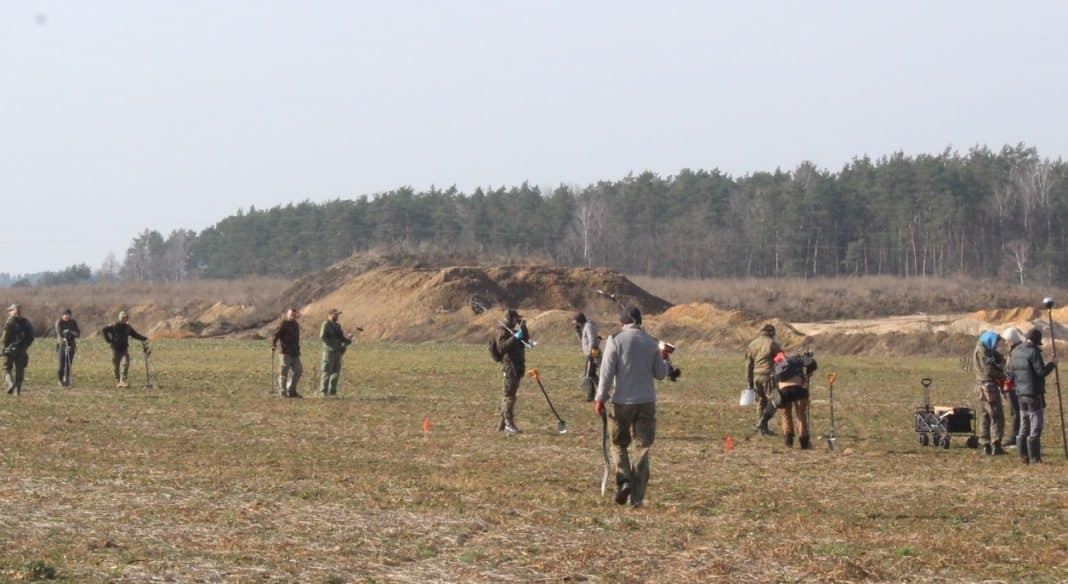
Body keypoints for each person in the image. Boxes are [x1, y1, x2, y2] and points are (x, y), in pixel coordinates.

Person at [594, 306, 669, 508]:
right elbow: (661, 374)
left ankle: (623, 480)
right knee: (642, 447)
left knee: (618, 444)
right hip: (646, 402)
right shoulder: (652, 342)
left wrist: (600, 397)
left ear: (622, 323)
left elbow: (606, 373)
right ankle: (637, 498)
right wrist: (666, 357)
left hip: (622, 402)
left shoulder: (615, 340)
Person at [1008, 328, 1056, 464]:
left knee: (1024, 423)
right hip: (1033, 394)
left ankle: (1023, 455)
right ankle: (1034, 458)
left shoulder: (1015, 351)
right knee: (1036, 425)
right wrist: (1052, 364)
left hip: (1020, 394)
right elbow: (1041, 372)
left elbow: (1010, 374)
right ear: (1036, 341)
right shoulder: (1034, 352)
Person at [494, 309, 530, 434]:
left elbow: (524, 339)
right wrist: (514, 338)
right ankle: (509, 424)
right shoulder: (501, 330)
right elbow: (501, 347)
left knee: (509, 395)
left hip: (518, 366)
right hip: (510, 367)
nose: (517, 321)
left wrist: (523, 327)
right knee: (509, 397)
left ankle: (501, 425)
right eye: (516, 319)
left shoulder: (513, 331)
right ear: (511, 318)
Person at [773, 350, 818, 449]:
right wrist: (808, 372)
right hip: (798, 389)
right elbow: (812, 364)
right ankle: (804, 443)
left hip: (783, 391)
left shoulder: (778, 362)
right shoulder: (798, 360)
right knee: (801, 415)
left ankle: (788, 442)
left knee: (786, 414)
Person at [744, 323, 783, 435]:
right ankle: (761, 423)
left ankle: (762, 430)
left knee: (761, 402)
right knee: (776, 401)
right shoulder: (773, 344)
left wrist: (749, 383)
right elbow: (781, 362)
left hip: (756, 377)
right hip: (768, 376)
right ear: (772, 333)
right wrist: (778, 377)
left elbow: (748, 365)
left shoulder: (752, 344)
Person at [973, 331, 1007, 455]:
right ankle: (996, 445)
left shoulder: (982, 349)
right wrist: (1001, 374)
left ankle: (985, 444)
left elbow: (996, 358)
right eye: (995, 342)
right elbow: (989, 371)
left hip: (980, 388)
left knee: (985, 416)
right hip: (989, 388)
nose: (997, 345)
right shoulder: (984, 353)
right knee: (996, 416)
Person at [102, 310, 149, 388]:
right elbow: (104, 330)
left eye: (126, 318)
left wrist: (144, 338)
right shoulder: (114, 326)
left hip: (124, 349)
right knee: (115, 366)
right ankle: (118, 381)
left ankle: (123, 380)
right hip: (115, 349)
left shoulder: (128, 327)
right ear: (120, 318)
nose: (125, 319)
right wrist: (108, 340)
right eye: (124, 318)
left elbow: (135, 335)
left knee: (126, 362)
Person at [319, 308, 352, 396]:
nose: (337, 316)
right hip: (329, 352)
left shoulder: (338, 326)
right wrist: (332, 345)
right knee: (326, 372)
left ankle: (332, 392)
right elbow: (322, 337)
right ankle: (323, 392)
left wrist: (348, 339)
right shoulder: (326, 324)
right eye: (335, 314)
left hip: (338, 352)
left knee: (336, 372)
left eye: (337, 315)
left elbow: (341, 338)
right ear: (329, 315)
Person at [3, 303, 35, 396]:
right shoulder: (26, 322)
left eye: (10, 310)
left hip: (10, 350)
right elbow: (31, 337)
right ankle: (17, 392)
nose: (9, 312)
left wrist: (4, 349)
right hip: (22, 350)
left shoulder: (10, 321)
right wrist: (24, 347)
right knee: (20, 371)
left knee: (7, 369)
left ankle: (10, 384)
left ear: (14, 311)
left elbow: (5, 338)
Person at [271, 308, 303, 398]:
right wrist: (273, 344)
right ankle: (283, 391)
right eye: (291, 314)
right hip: (285, 352)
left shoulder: (296, 324)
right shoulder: (283, 324)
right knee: (283, 372)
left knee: (298, 371)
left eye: (294, 315)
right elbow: (276, 334)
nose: (292, 316)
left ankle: (291, 390)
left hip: (295, 353)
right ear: (287, 315)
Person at [1000, 326, 1024, 446]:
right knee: (1016, 412)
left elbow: (1011, 370)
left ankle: (1015, 437)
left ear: (1011, 339)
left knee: (1016, 413)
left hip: (1013, 386)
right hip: (1014, 385)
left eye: (1007, 340)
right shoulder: (1017, 349)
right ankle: (1018, 435)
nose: (1005, 342)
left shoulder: (1016, 351)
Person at [573, 312, 600, 401]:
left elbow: (592, 340)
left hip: (592, 353)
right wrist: (578, 331)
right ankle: (596, 393)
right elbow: (582, 341)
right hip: (591, 353)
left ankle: (594, 394)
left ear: (579, 321)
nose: (575, 324)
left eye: (576, 322)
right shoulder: (585, 327)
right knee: (591, 374)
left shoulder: (588, 326)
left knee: (589, 375)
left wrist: (591, 354)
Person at [54, 308, 81, 387]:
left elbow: (78, 333)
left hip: (71, 345)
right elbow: (59, 333)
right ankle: (60, 380)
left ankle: (67, 380)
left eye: (68, 315)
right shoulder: (59, 322)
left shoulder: (73, 322)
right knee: (61, 366)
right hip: (62, 346)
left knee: (68, 364)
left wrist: (71, 333)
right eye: (65, 315)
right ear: (63, 315)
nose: (67, 317)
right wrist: (63, 338)